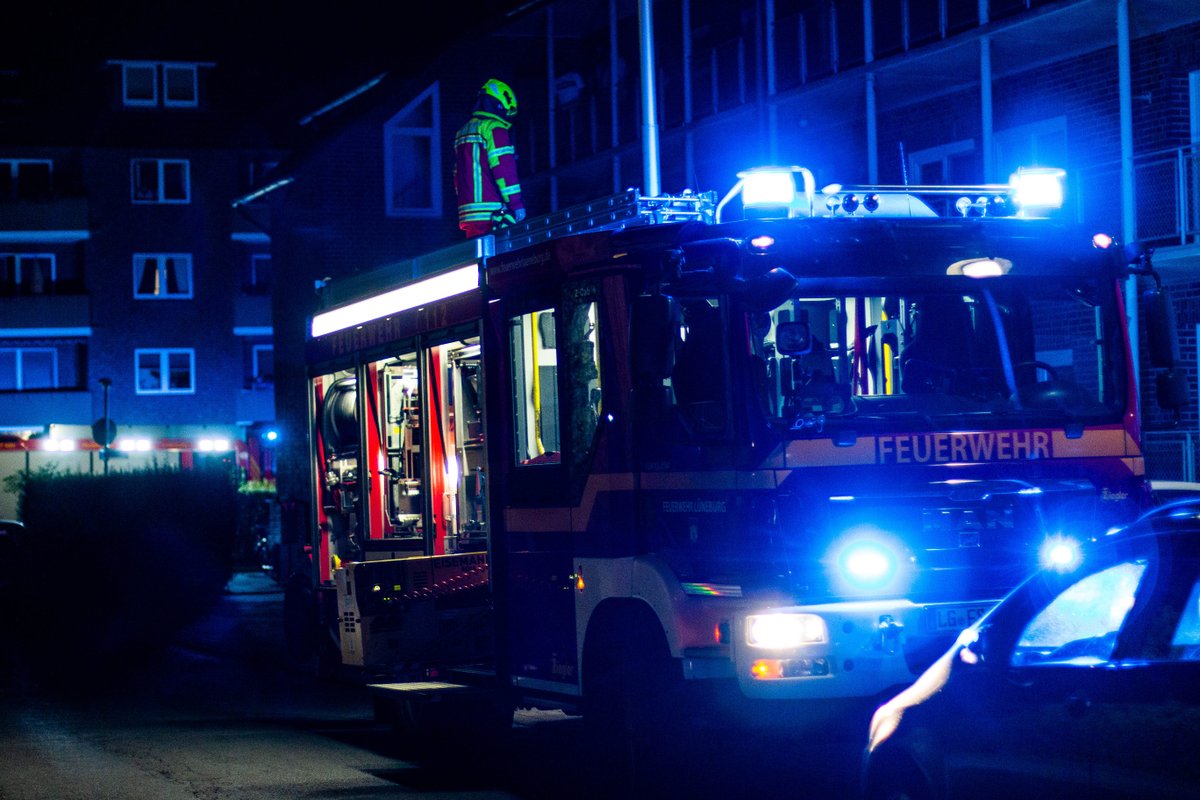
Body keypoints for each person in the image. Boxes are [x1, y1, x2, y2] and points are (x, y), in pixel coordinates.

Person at [453, 78, 526, 238]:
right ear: (500, 105)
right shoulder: (494, 129)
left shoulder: (462, 132)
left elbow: (458, 176)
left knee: (480, 259)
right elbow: (504, 171)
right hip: (492, 213)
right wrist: (516, 204)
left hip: (468, 214)